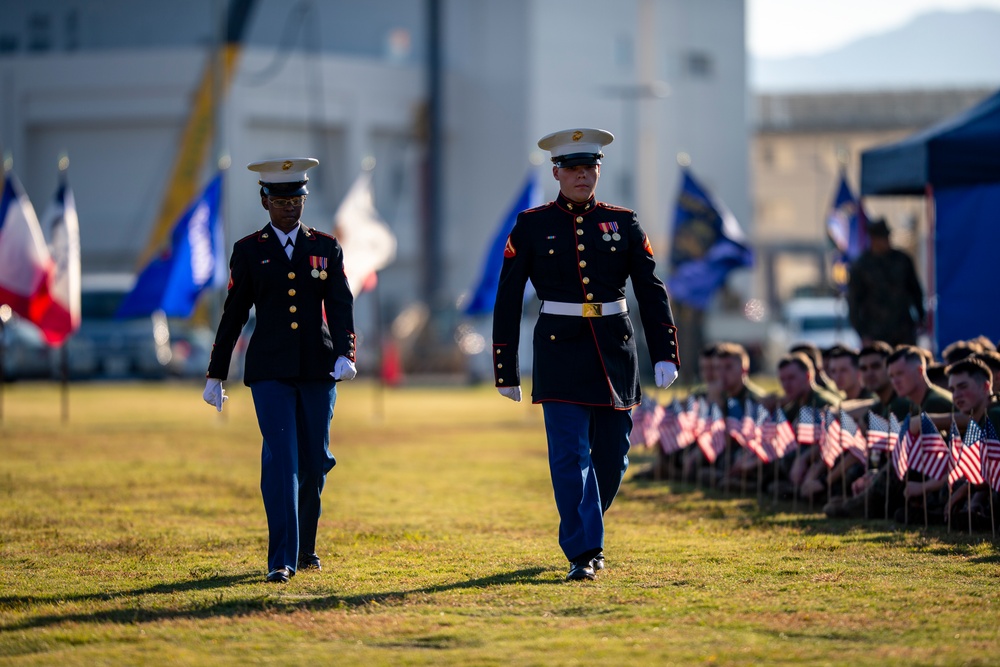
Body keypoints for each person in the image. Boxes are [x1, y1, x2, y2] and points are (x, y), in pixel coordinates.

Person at [492, 128, 680, 582]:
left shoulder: (625, 221)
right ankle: (584, 552)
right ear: (556, 172)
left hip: (614, 350)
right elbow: (508, 296)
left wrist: (665, 351)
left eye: (589, 167)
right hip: (559, 352)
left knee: (613, 457)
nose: (582, 175)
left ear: (599, 169)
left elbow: (651, 290)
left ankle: (583, 524)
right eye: (573, 168)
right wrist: (506, 367)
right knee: (569, 454)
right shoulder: (532, 224)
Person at [203, 158, 357, 584]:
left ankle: (306, 546)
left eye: (298, 199)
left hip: (317, 368)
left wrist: (346, 352)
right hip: (270, 370)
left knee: (314, 462)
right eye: (282, 200)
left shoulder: (326, 247)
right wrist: (217, 373)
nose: (291, 207)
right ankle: (281, 559)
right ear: (265, 200)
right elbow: (233, 314)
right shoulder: (249, 251)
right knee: (281, 461)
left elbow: (340, 304)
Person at [846, 218, 925, 346]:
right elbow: (853, 303)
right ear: (873, 240)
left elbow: (915, 290)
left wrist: (921, 317)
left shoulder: (902, 260)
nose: (886, 241)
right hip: (876, 331)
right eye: (882, 238)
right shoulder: (861, 266)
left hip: (903, 329)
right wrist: (862, 334)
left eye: (887, 237)